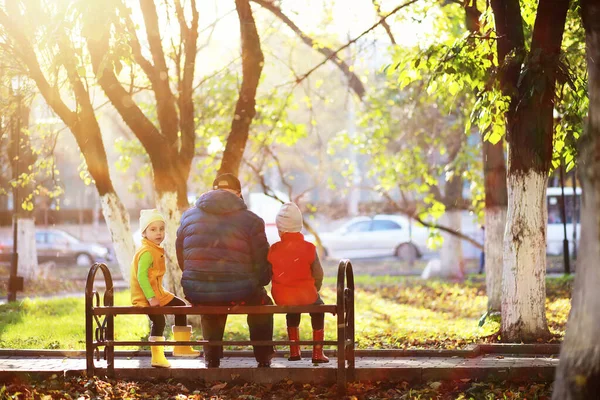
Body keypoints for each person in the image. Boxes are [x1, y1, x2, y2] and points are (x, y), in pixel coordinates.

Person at [176, 173, 274, 368]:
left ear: (213, 190)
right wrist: (258, 282)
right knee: (263, 303)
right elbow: (262, 263)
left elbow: (182, 258)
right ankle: (263, 357)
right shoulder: (252, 220)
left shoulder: (188, 216)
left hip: (197, 290)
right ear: (238, 194)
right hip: (241, 292)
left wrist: (198, 277)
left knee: (210, 294)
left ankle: (212, 357)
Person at [130, 209, 199, 369]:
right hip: (146, 297)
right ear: (144, 233)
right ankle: (157, 357)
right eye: (153, 229)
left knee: (180, 307)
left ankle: (181, 347)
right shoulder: (147, 252)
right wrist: (151, 298)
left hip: (158, 293)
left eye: (161, 229)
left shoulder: (154, 248)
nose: (158, 233)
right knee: (159, 320)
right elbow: (142, 277)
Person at [268, 202, 329, 363]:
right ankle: (317, 353)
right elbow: (318, 274)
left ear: (280, 229)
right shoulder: (309, 248)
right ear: (299, 227)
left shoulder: (274, 249)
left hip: (283, 297)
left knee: (292, 310)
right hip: (306, 294)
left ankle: (294, 351)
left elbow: (268, 274)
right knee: (318, 309)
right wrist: (314, 289)